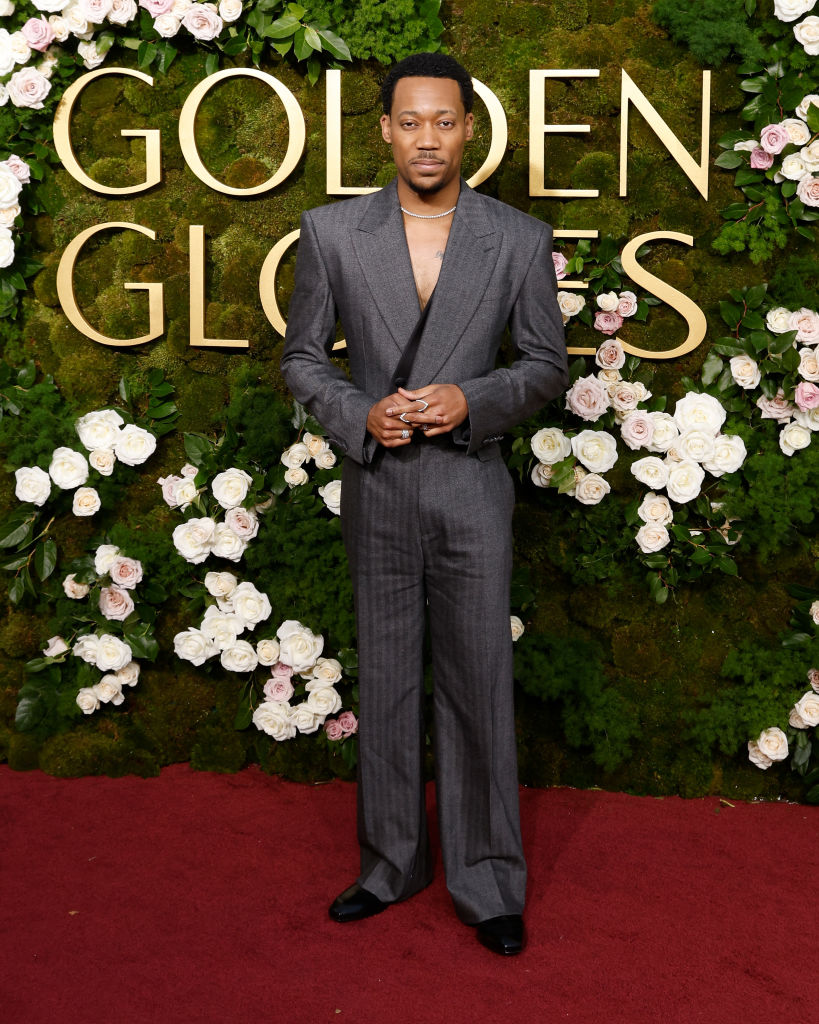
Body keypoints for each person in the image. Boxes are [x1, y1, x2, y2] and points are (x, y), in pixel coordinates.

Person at [280, 52, 568, 956]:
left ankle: (488, 882)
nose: (427, 139)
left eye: (444, 121)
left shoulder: (516, 238)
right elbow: (299, 361)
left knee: (479, 680)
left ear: (469, 128)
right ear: (383, 132)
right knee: (390, 678)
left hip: (471, 486)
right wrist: (354, 412)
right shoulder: (331, 233)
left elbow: (545, 365)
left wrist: (470, 401)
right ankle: (389, 863)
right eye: (410, 122)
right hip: (378, 483)